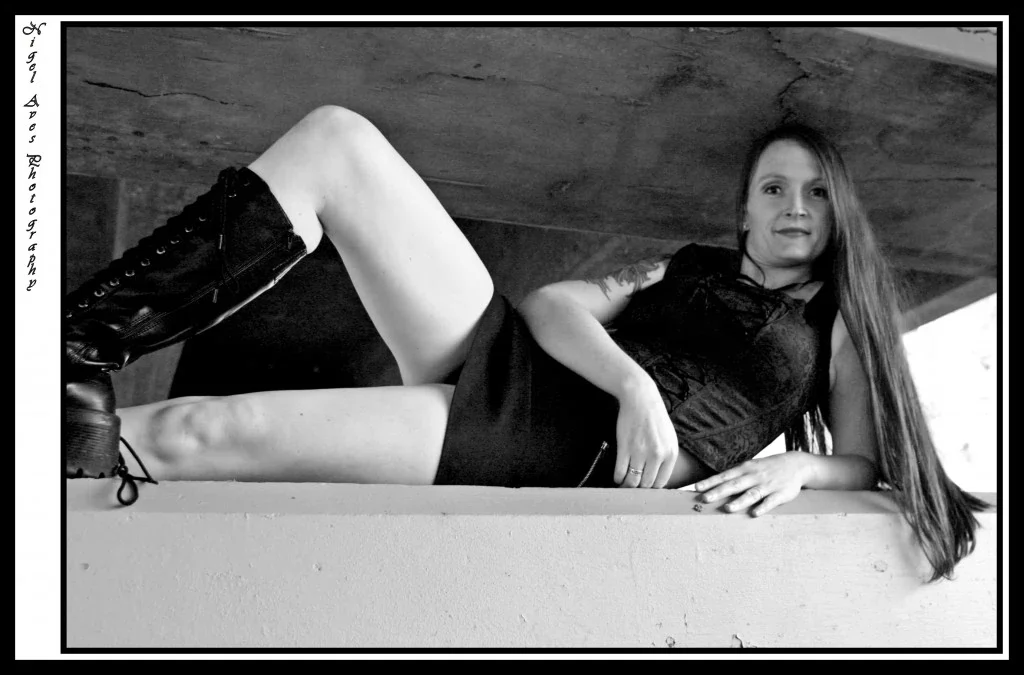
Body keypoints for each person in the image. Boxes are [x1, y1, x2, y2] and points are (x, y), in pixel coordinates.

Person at [65, 105, 988, 582]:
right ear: (743, 209)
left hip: (554, 445)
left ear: (838, 210)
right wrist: (634, 387)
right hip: (525, 363)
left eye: (817, 192)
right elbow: (555, 306)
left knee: (203, 430)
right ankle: (72, 354)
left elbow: (865, 460)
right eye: (775, 188)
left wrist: (798, 467)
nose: (796, 207)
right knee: (337, 140)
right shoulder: (689, 267)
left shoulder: (835, 322)